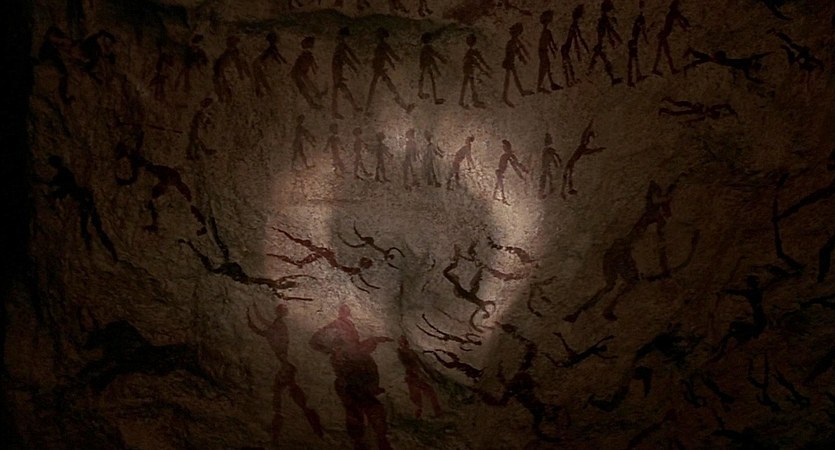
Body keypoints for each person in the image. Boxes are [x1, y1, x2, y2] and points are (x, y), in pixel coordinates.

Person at [310, 305, 393, 450]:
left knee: (371, 410)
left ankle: (379, 439)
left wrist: (375, 339)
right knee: (358, 411)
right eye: (344, 309)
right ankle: (362, 442)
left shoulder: (349, 326)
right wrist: (331, 350)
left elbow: (358, 346)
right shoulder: (336, 328)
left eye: (347, 309)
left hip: (363, 379)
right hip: (351, 383)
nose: (347, 311)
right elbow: (314, 342)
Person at [247, 304, 323, 445]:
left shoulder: (277, 326)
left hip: (285, 365)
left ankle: (277, 435)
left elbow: (261, 330)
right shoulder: (279, 324)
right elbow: (265, 324)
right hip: (285, 364)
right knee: (288, 393)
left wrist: (250, 320)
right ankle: (313, 426)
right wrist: (255, 311)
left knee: (280, 399)